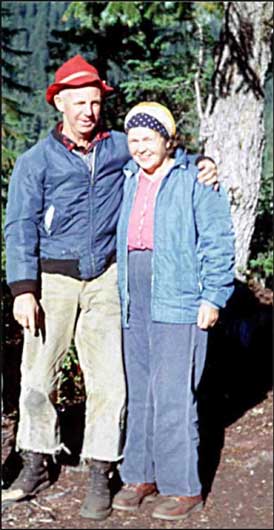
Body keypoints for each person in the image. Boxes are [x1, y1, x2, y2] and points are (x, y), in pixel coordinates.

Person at [3, 55, 218, 520]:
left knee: (111, 381)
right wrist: (23, 288)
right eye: (79, 102)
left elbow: (162, 154)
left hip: (105, 278)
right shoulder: (36, 161)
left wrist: (202, 163)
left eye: (96, 102)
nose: (88, 111)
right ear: (59, 103)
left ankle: (102, 470)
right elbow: (19, 223)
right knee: (38, 376)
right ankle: (35, 461)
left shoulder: (119, 147)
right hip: (52, 280)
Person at [112, 102, 235, 521]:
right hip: (136, 295)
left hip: (179, 295)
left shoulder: (194, 180)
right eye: (134, 140)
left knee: (173, 394)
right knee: (140, 388)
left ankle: (182, 486)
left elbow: (218, 240)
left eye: (149, 139)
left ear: (168, 140)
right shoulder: (129, 177)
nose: (140, 147)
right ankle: (140, 475)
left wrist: (213, 297)